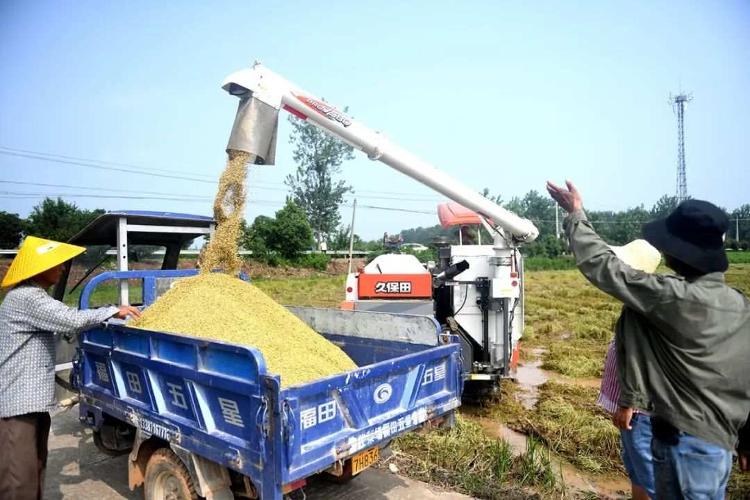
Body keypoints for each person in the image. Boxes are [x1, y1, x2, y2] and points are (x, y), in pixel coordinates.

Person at [547, 180, 750, 499]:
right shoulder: (740, 305)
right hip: (719, 443)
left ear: (682, 253)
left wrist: (575, 214)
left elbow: (605, 267)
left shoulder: (675, 298)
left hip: (685, 443)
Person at [0, 236, 141, 500]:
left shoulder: (31, 297)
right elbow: (69, 319)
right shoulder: (28, 298)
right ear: (39, 269)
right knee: (18, 479)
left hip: (30, 401)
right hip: (17, 404)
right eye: (58, 264)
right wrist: (114, 311)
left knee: (33, 468)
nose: (63, 268)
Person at [598, 240, 661, 500]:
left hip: (639, 412)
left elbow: (642, 361)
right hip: (631, 409)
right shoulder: (635, 304)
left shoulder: (645, 309)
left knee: (648, 474)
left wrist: (628, 405)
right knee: (636, 470)